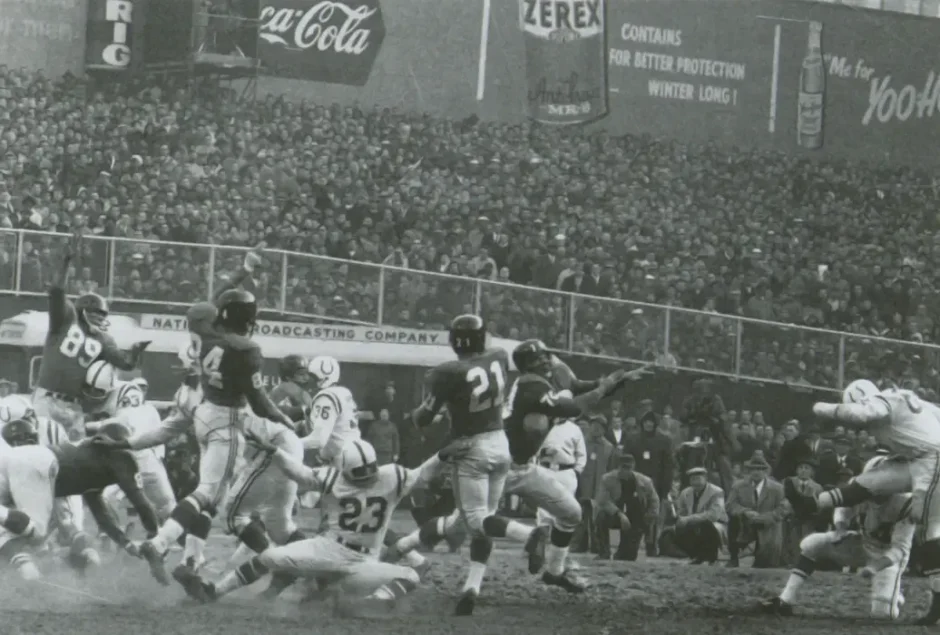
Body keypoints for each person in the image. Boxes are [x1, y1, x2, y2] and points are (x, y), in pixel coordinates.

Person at [98, 288, 294, 588]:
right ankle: (162, 544)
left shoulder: (192, 379)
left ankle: (191, 561)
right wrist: (284, 417)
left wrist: (126, 443)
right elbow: (257, 402)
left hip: (210, 418)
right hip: (241, 429)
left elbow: (169, 428)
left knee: (213, 502)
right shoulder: (245, 350)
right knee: (216, 500)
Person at [176, 440, 437, 615]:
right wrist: (276, 452)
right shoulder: (348, 476)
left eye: (368, 474)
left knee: (411, 575)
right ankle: (214, 591)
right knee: (268, 557)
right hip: (329, 547)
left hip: (363, 561)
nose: (366, 481)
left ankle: (372, 604)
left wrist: (444, 455)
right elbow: (300, 472)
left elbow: (426, 472)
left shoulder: (391, 475)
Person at [391, 314, 518, 616]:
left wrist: (422, 411)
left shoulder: (447, 372)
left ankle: (528, 535)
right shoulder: (499, 355)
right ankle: (470, 586)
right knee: (464, 521)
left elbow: (423, 419)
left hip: (468, 446)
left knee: (476, 520)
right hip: (500, 442)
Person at [786, 379, 940, 624]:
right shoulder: (903, 398)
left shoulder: (879, 403)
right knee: (870, 482)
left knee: (928, 527)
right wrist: (838, 525)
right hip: (919, 459)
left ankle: (938, 606)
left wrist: (824, 408)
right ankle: (812, 503)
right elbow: (935, 412)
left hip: (932, 459)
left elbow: (862, 413)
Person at [761, 454, 914, 620]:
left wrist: (875, 567)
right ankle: (785, 600)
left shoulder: (907, 503)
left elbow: (900, 550)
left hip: (887, 556)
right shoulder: (859, 487)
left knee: (883, 615)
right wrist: (840, 528)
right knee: (812, 544)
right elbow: (842, 509)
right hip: (863, 543)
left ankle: (894, 595)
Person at [3, 417, 161, 577]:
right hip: (42, 462)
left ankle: (27, 565)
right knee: (37, 531)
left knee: (17, 529)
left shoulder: (89, 464)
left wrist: (125, 543)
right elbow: (140, 503)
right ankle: (33, 570)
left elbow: (101, 515)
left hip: (21, 459)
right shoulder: (121, 458)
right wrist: (156, 536)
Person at [33, 231, 149, 436]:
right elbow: (57, 291)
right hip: (47, 399)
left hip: (75, 406)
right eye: (95, 312)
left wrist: (135, 353)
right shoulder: (66, 320)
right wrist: (66, 262)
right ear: (82, 309)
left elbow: (125, 363)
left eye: (102, 314)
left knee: (75, 456)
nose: (99, 317)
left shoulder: (103, 340)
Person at [0, 441, 61, 580]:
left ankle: (26, 563)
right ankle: (43, 553)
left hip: (16, 466)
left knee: (36, 530)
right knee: (39, 527)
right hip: (44, 456)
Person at [726, 453, 787, 568]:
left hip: (768, 526)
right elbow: (730, 505)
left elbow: (783, 509)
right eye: (753, 469)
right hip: (745, 525)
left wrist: (764, 518)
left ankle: (764, 556)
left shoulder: (777, 488)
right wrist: (745, 511)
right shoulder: (738, 486)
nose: (756, 472)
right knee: (733, 520)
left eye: (759, 469)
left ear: (765, 471)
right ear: (748, 471)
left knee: (765, 565)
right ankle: (733, 557)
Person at [595, 454, 660, 561]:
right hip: (614, 514)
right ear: (618, 467)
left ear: (633, 467)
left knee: (628, 557)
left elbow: (654, 501)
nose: (626, 471)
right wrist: (619, 514)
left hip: (636, 517)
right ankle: (604, 551)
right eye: (623, 467)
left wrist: (649, 518)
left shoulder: (645, 481)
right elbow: (603, 500)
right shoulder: (607, 479)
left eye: (629, 468)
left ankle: (623, 551)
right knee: (601, 516)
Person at [673, 466, 727, 564]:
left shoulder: (717, 492)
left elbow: (713, 515)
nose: (695, 481)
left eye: (698, 478)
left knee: (705, 526)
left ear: (706, 478)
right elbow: (681, 511)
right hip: (692, 523)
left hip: (716, 523)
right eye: (692, 478)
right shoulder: (685, 493)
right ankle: (696, 556)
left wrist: (688, 519)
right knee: (677, 529)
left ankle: (711, 557)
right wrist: (680, 518)